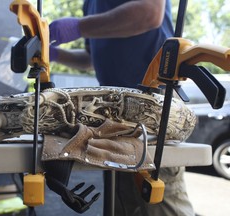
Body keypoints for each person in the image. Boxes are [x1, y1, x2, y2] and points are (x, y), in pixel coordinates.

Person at [49, 0, 195, 215]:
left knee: (157, 201)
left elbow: (149, 13)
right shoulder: (91, 3)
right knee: (122, 200)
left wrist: (78, 27)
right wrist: (53, 54)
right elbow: (90, 60)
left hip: (151, 103)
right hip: (112, 110)